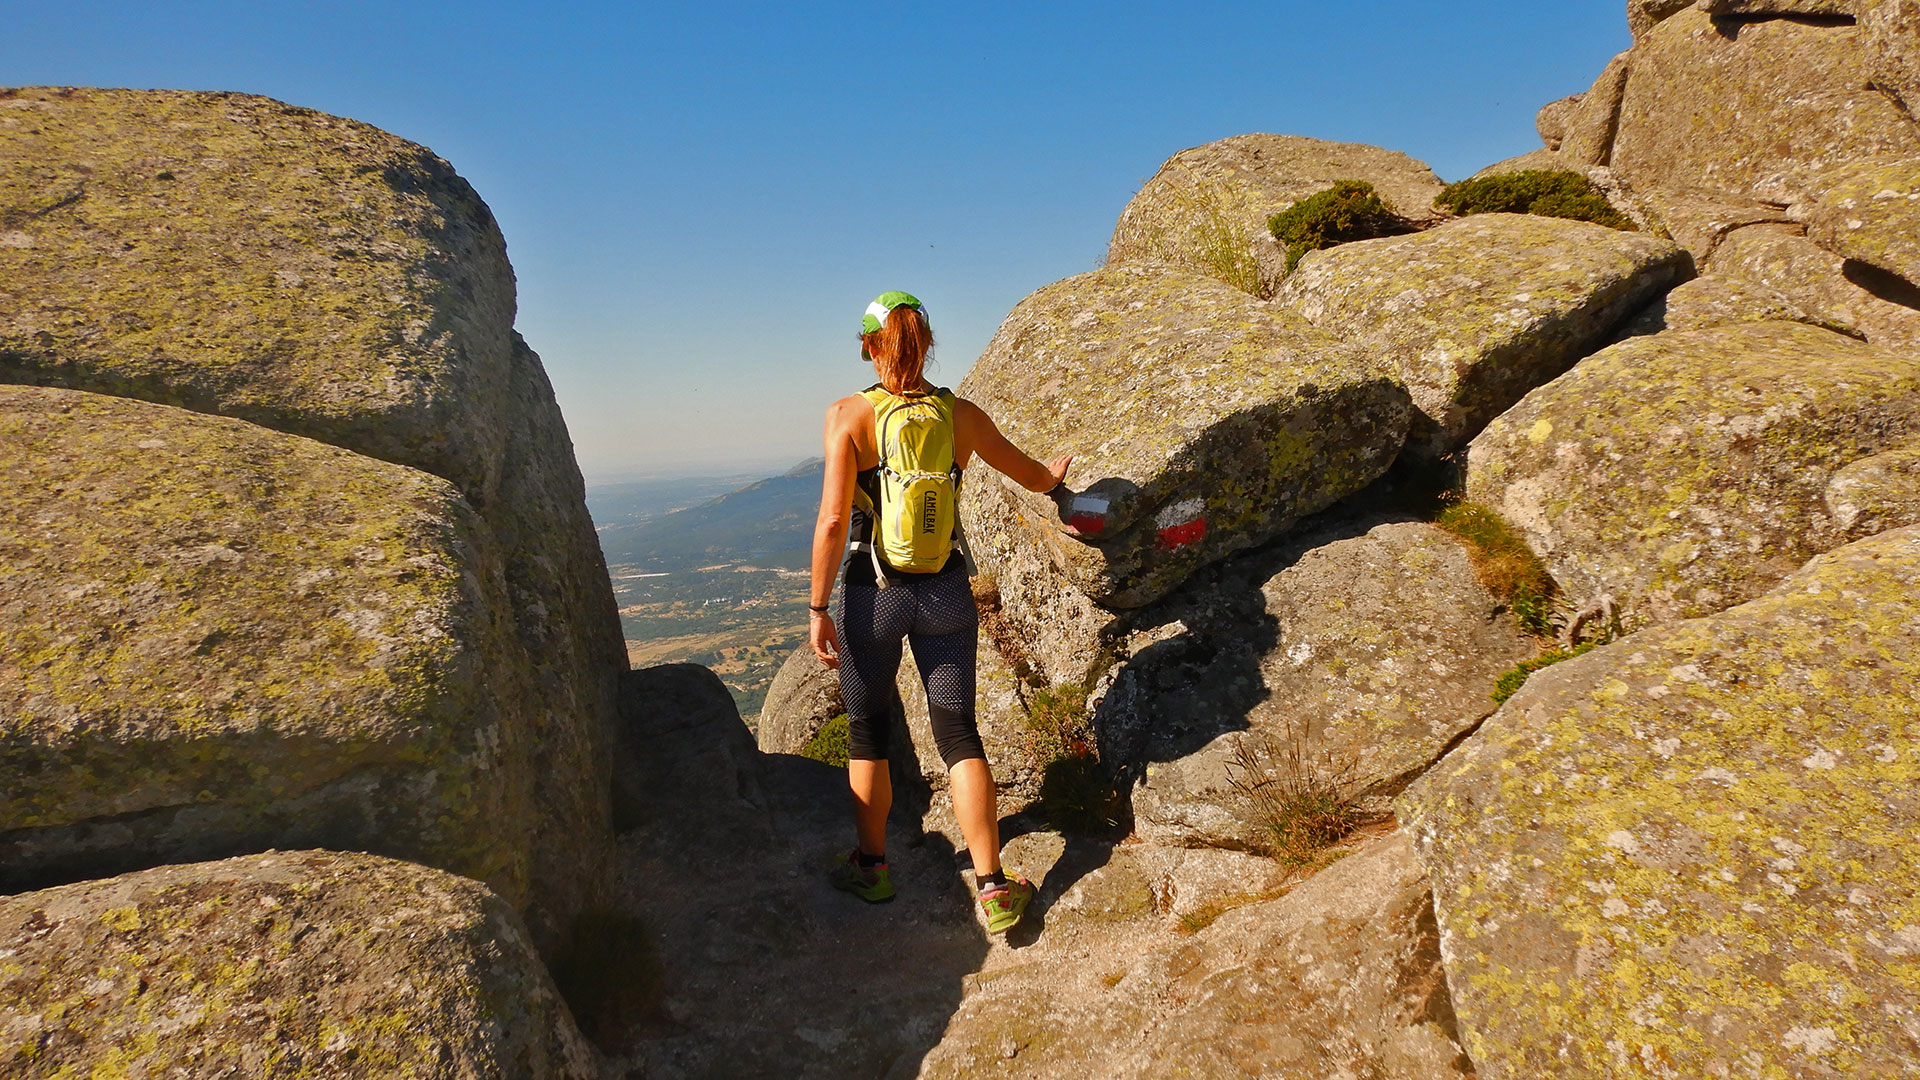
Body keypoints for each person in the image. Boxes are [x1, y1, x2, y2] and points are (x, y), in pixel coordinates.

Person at [808, 290, 1070, 934]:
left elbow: (835, 519)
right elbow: (1030, 474)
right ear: (925, 343)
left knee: (868, 733)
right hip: (948, 589)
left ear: (869, 346)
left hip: (874, 592)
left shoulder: (848, 415)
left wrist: (819, 607)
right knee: (958, 733)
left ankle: (872, 869)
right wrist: (1057, 479)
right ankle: (993, 886)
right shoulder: (962, 416)